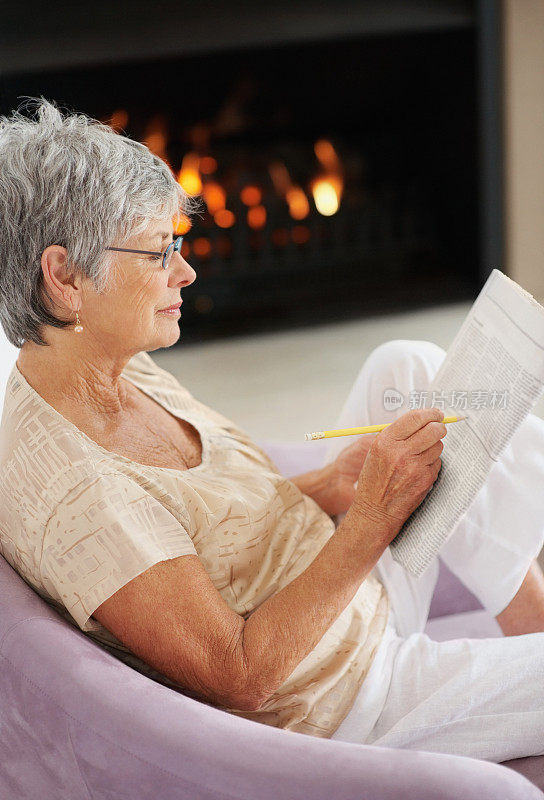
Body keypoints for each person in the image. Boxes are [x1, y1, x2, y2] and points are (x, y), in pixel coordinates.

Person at [0, 98, 542, 763]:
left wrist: (332, 487)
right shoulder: (81, 497)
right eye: (157, 252)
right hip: (345, 697)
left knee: (408, 368)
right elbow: (241, 676)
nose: (185, 272)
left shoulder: (110, 367)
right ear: (64, 278)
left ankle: (532, 619)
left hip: (334, 590)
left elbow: (213, 531)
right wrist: (374, 512)